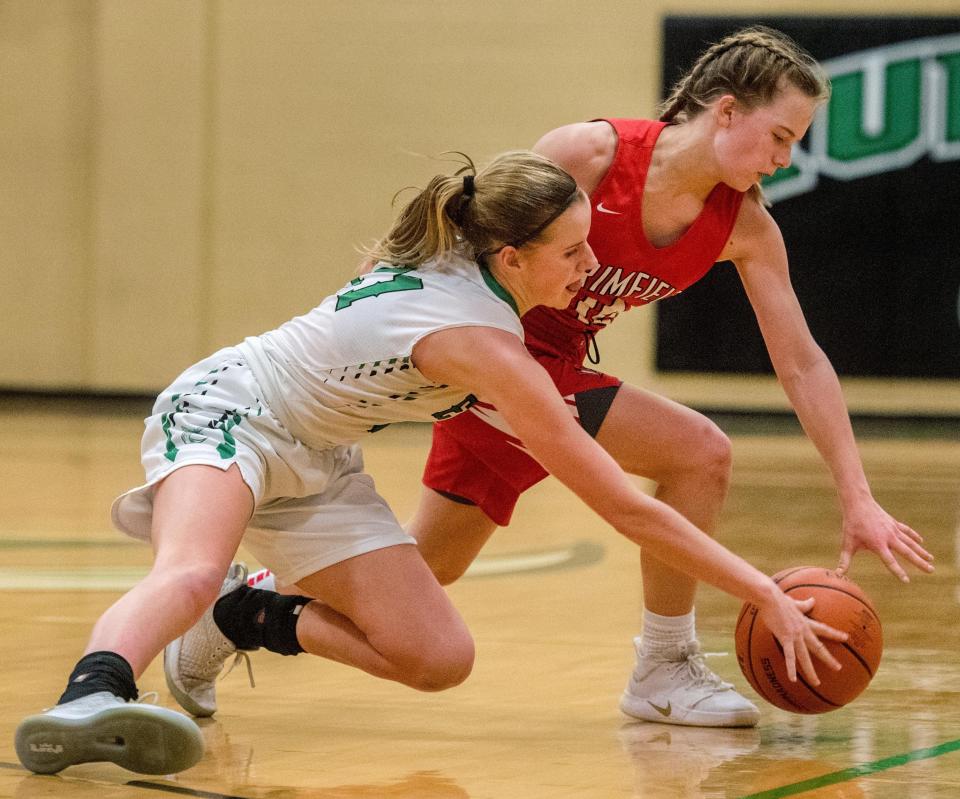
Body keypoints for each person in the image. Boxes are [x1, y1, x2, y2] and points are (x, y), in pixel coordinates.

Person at [16, 149, 848, 776]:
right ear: (511, 259)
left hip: (322, 459)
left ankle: (244, 618)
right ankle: (92, 693)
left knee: (437, 657)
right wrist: (764, 590)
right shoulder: (484, 344)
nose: (592, 270)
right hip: (234, 409)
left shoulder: (480, 266)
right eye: (572, 254)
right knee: (191, 568)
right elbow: (627, 507)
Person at [404, 25, 934, 729]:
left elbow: (801, 360)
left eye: (794, 143)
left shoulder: (743, 226)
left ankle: (239, 611)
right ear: (725, 111)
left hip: (547, 375)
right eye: (779, 136)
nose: (784, 159)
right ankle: (665, 663)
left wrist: (857, 494)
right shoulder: (589, 155)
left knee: (418, 575)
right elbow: (467, 251)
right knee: (700, 451)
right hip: (492, 363)